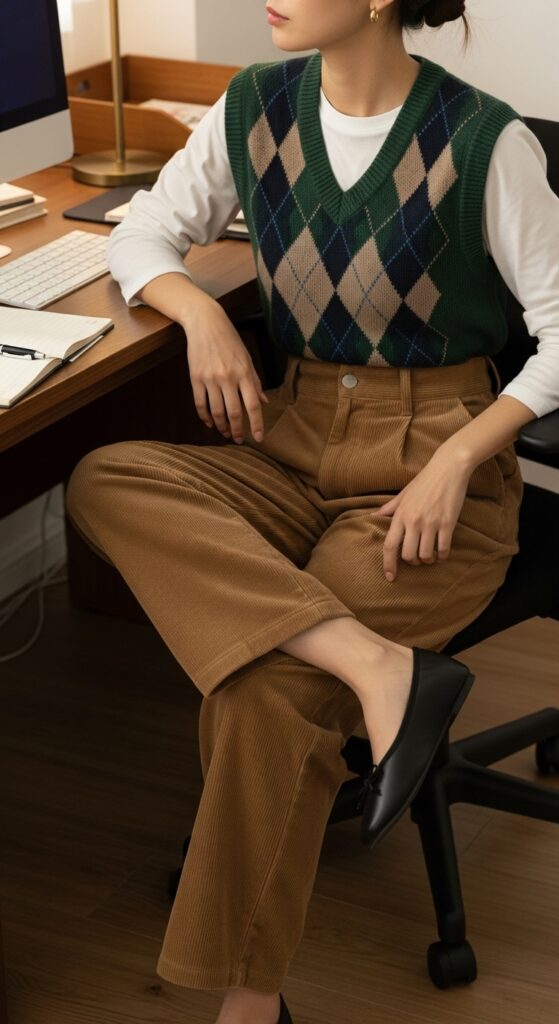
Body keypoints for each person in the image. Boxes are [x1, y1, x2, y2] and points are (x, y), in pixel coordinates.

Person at [65, 0, 559, 1021]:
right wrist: (199, 311)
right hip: (289, 449)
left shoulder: (482, 140)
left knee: (267, 686)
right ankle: (376, 666)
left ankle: (250, 1004)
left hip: (431, 472)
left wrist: (462, 455)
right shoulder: (254, 106)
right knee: (106, 476)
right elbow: (145, 231)